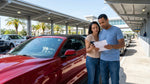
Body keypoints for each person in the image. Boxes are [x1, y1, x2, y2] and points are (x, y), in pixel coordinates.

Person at [98, 14, 125, 84]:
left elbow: (122, 44)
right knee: (104, 81)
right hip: (102, 60)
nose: (101, 25)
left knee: (115, 81)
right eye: (100, 23)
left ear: (107, 20)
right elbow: (101, 46)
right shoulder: (101, 33)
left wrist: (112, 46)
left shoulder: (116, 30)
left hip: (113, 61)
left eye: (103, 22)